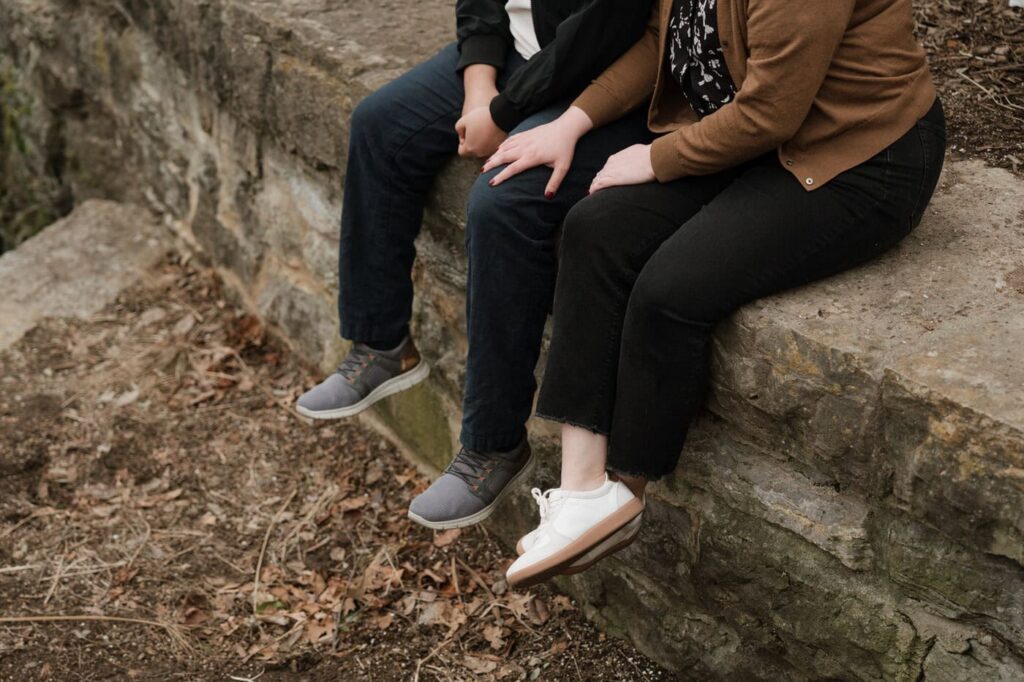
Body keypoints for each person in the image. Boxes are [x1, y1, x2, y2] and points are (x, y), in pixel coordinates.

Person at [482, 0, 946, 588]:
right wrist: (570, 123)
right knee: (595, 228)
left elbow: (772, 112)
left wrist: (657, 157)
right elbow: (660, 39)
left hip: (856, 157)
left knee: (670, 289)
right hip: (749, 139)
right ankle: (583, 491)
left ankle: (622, 494)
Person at [296, 0, 656, 530]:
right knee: (380, 124)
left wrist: (504, 113)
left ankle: (493, 444)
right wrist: (479, 85)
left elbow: (606, 27)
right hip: (513, 59)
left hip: (600, 80)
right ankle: (381, 344)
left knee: (501, 201)